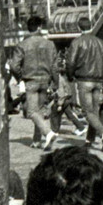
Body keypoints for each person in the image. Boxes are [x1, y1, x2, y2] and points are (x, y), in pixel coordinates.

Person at [64, 15, 103, 152]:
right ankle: (89, 140)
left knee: (88, 112)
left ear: (79, 27)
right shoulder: (100, 42)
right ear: (91, 25)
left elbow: (70, 62)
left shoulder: (77, 42)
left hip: (84, 79)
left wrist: (70, 76)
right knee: (94, 111)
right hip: (98, 80)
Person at [19, 15, 59, 150]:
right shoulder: (50, 44)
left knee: (31, 112)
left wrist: (20, 76)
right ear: (40, 27)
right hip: (45, 80)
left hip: (31, 80)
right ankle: (37, 140)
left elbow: (14, 65)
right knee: (40, 111)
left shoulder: (23, 44)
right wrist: (56, 82)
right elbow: (54, 66)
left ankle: (48, 133)